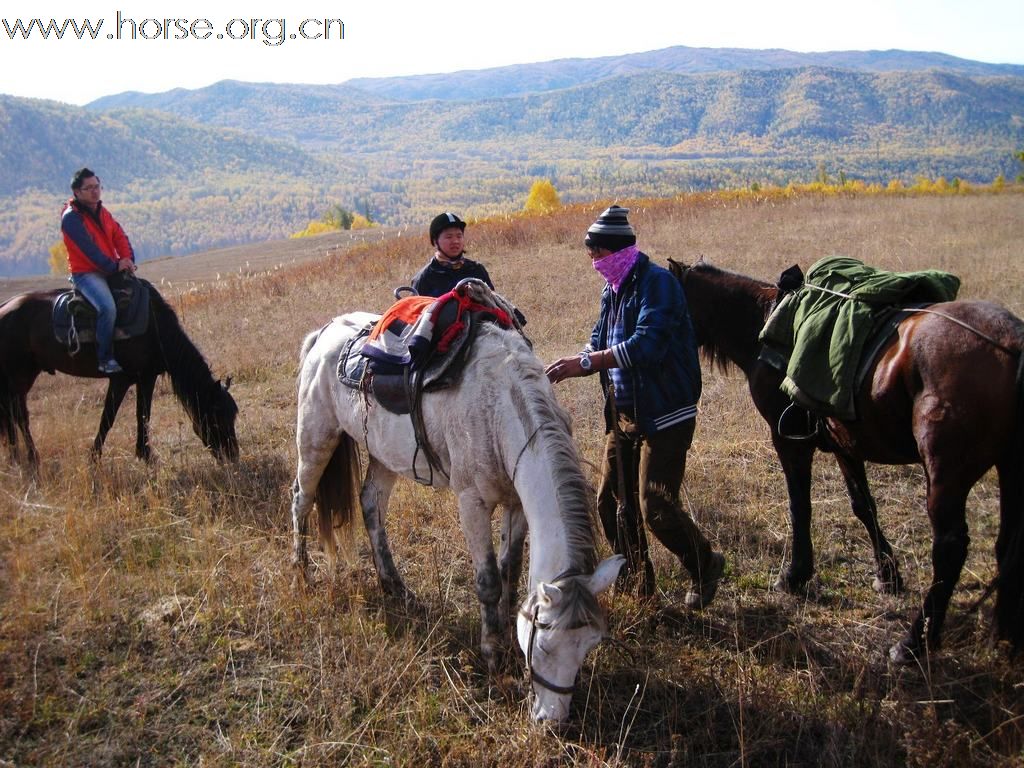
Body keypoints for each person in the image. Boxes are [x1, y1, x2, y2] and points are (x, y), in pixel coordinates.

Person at [545, 205, 726, 609]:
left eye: (597, 256)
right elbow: (598, 338)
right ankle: (640, 587)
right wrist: (579, 359)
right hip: (623, 415)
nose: (594, 265)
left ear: (615, 251)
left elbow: (648, 345)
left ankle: (704, 564)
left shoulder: (656, 284)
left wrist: (589, 362)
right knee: (610, 502)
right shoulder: (613, 289)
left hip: (665, 413)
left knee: (655, 505)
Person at [61, 167, 137, 374]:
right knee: (108, 308)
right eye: (89, 188)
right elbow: (89, 252)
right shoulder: (71, 218)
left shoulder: (102, 211)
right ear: (77, 192)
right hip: (86, 273)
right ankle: (105, 359)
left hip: (109, 268)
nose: (95, 192)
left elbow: (119, 236)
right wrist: (114, 267)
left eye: (97, 186)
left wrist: (128, 258)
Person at [410, 212, 494, 297]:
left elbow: (493, 304)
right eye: (449, 237)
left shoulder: (477, 270)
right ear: (435, 241)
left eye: (459, 236)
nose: (455, 241)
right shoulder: (424, 278)